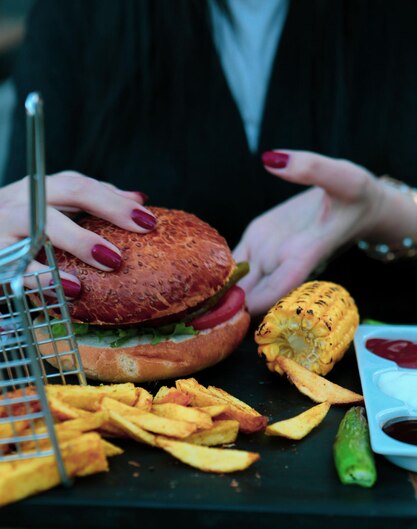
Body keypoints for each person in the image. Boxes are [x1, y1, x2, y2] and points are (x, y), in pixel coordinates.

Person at [2, 0, 417, 321]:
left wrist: (387, 210)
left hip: (381, 386)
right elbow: (24, 231)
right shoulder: (75, 14)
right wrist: (10, 232)